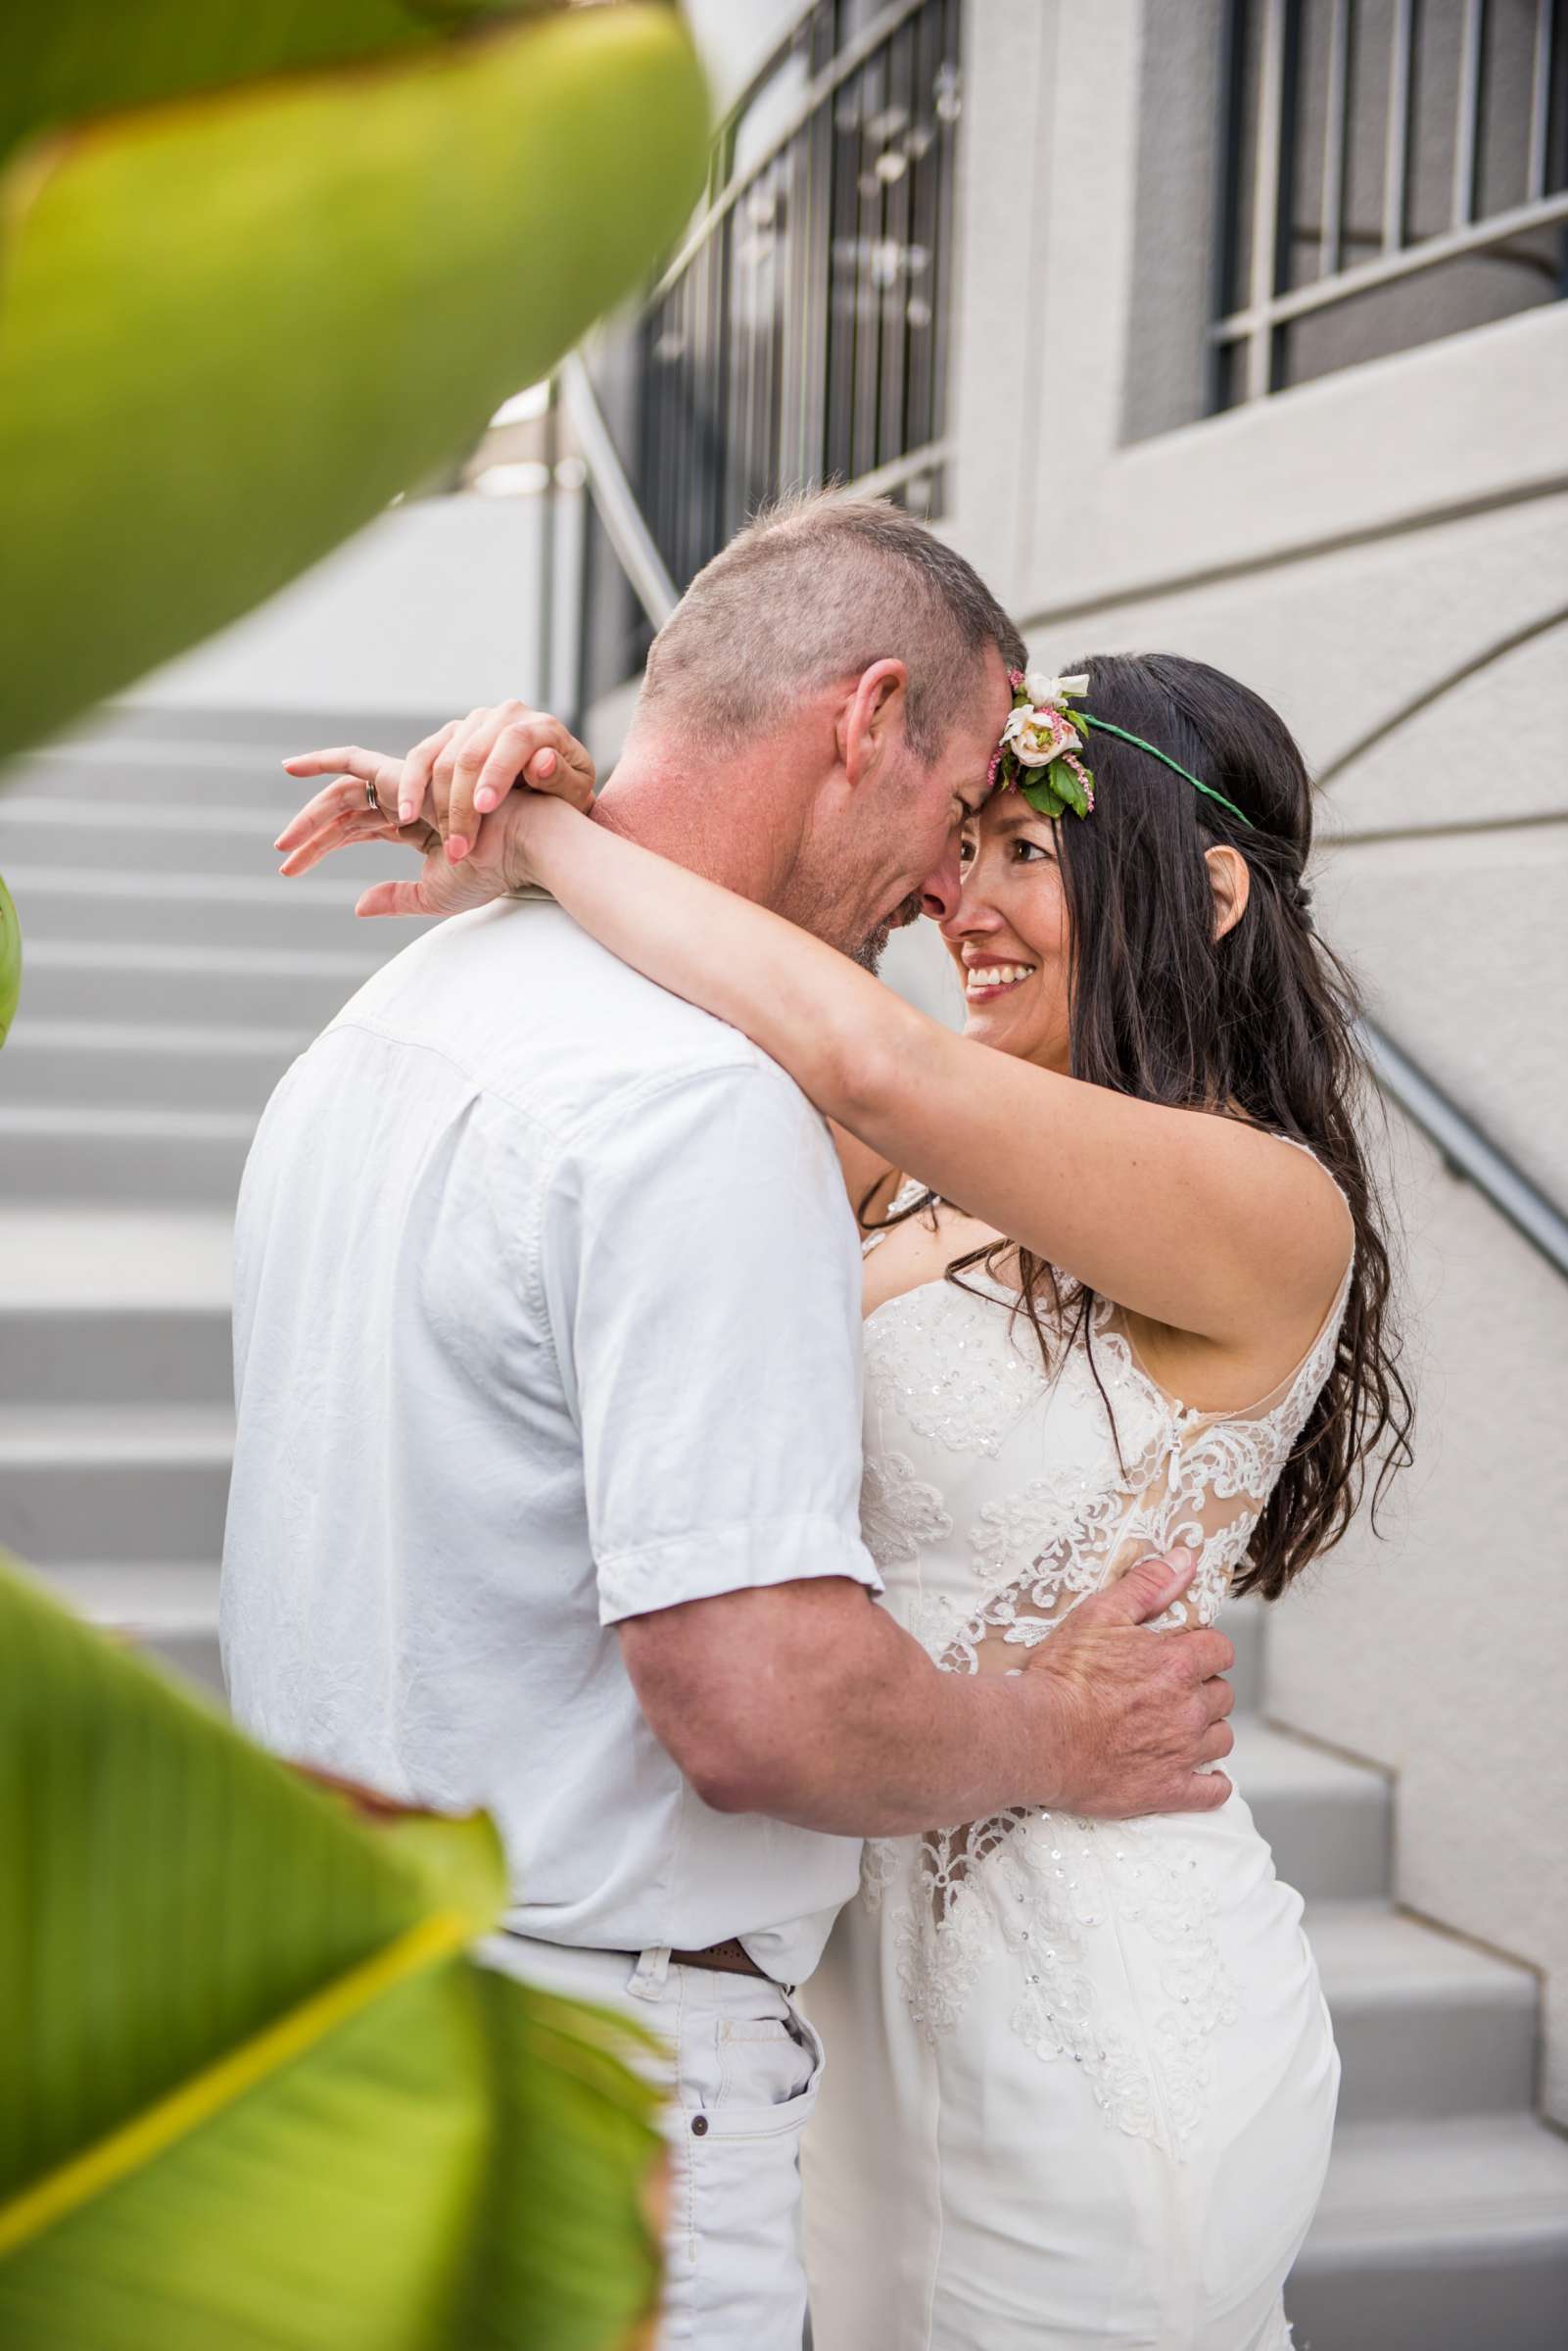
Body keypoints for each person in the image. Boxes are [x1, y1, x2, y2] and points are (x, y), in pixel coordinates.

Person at [275, 596, 1412, 2349]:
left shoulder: (1264, 1203)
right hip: (842, 1978)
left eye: (1023, 850)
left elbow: (842, 1038)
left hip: (1081, 1993)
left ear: (1203, 898)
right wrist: (539, 835)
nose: (958, 903)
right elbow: (696, 1054)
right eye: (959, 847)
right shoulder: (909, 1152)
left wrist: (562, 836)